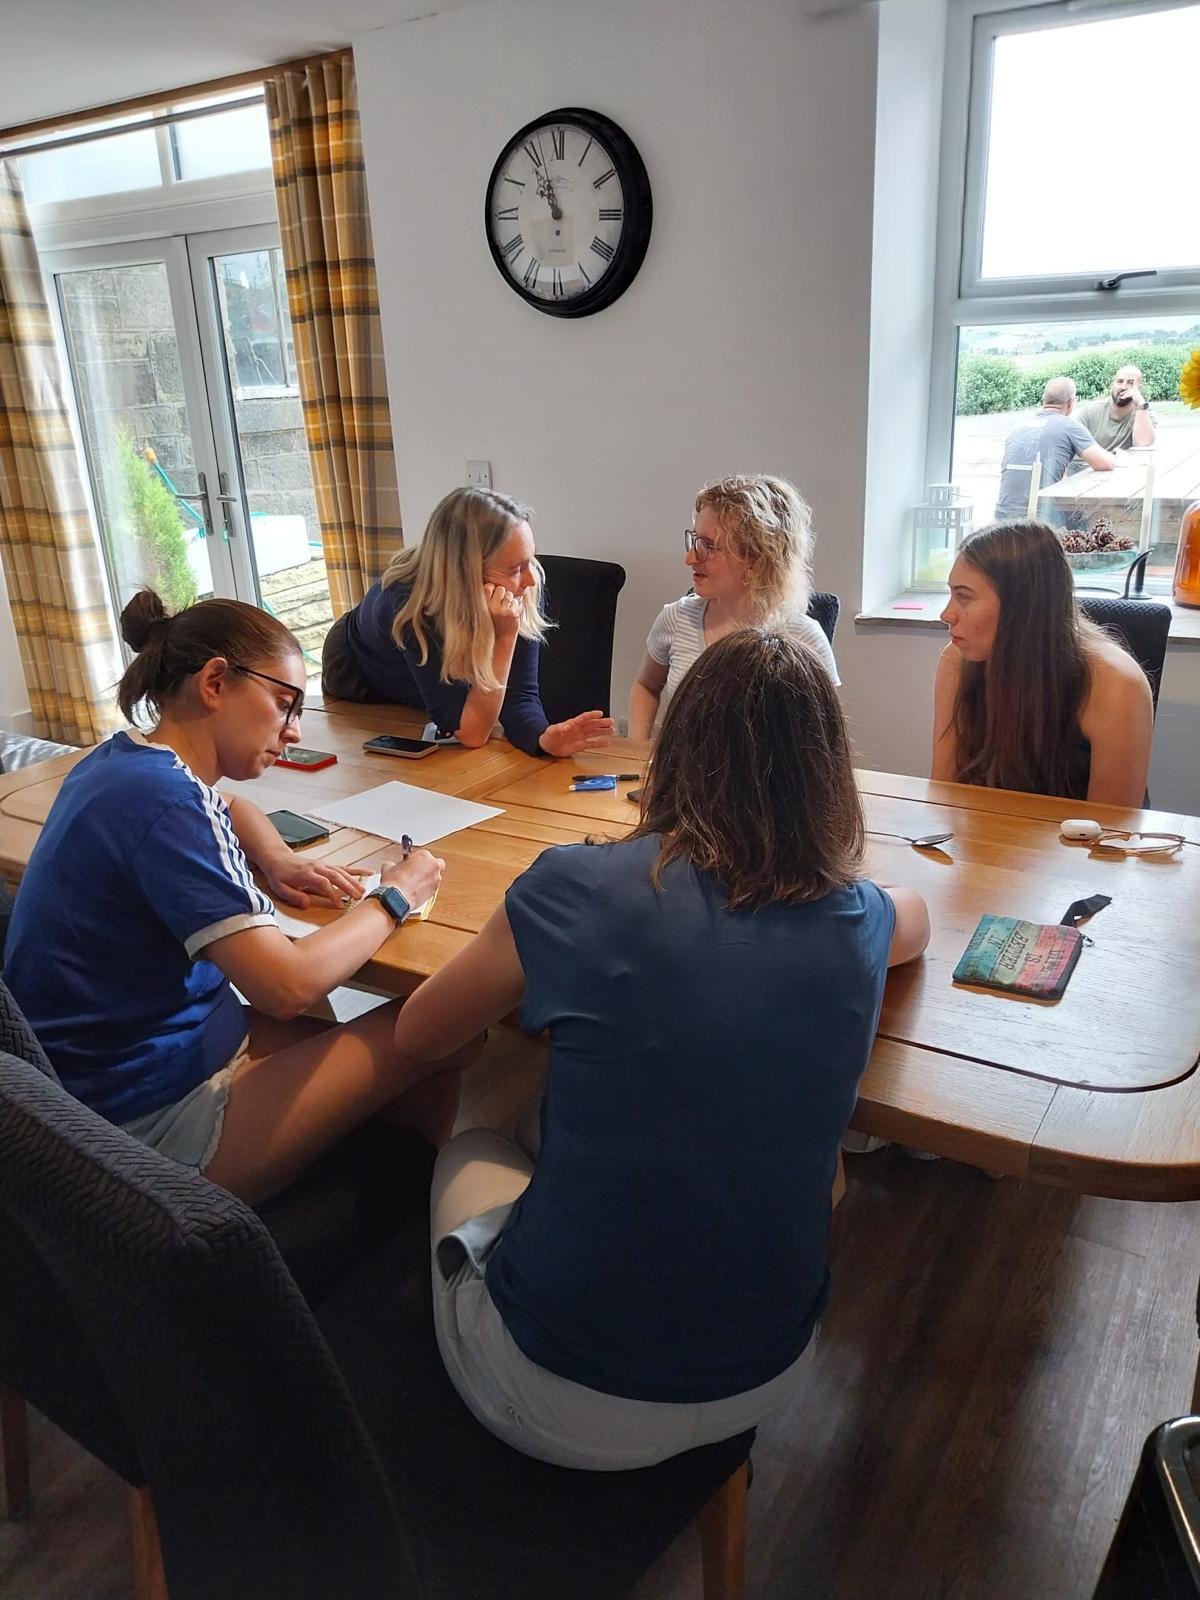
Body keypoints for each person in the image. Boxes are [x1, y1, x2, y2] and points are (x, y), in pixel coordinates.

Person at [391, 629, 930, 1470]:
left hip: (559, 1395)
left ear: (677, 751)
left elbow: (418, 1036)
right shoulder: (860, 916)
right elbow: (913, 916)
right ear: (829, 773)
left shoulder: (573, 885)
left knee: (475, 1142)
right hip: (769, 1373)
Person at [4, 590, 463, 1206]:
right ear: (215, 682)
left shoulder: (122, 762)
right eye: (283, 704)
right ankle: (356, 1241)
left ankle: (374, 1211)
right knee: (446, 1030)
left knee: (392, 1057)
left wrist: (276, 858)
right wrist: (395, 895)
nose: (293, 731)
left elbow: (231, 807)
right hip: (137, 1126)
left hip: (100, 1081)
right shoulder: (168, 803)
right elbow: (287, 986)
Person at [321, 486, 613, 758]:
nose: (531, 579)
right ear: (466, 573)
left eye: (530, 560)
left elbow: (518, 696)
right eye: (515, 569)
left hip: (430, 683)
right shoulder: (413, 603)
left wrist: (543, 738)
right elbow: (473, 734)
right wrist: (505, 637)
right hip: (361, 679)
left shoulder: (524, 585)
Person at [933, 522, 1152, 805]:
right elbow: (942, 795)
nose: (946, 614)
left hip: (1074, 834)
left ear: (1021, 605)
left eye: (964, 597)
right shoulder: (956, 660)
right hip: (988, 829)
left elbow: (1111, 827)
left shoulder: (1116, 684)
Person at [627, 474, 839, 739]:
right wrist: (638, 747)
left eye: (709, 546)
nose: (690, 558)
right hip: (682, 766)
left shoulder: (804, 638)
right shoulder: (676, 619)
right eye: (695, 540)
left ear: (757, 561)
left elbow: (826, 740)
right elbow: (646, 686)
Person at [994, 378, 1115, 521]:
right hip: (1039, 519)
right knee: (1085, 519)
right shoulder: (1069, 426)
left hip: (1002, 515)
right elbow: (1105, 463)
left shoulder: (1019, 428)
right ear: (1070, 402)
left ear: (1043, 400)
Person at [1070, 364, 1156, 459]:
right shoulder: (1090, 411)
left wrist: (1140, 404)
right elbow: (1070, 443)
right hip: (1086, 465)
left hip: (1120, 466)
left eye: (1130, 383)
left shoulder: (1143, 413)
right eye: (1119, 381)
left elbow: (1142, 444)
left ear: (1139, 389)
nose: (1123, 387)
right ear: (1112, 384)